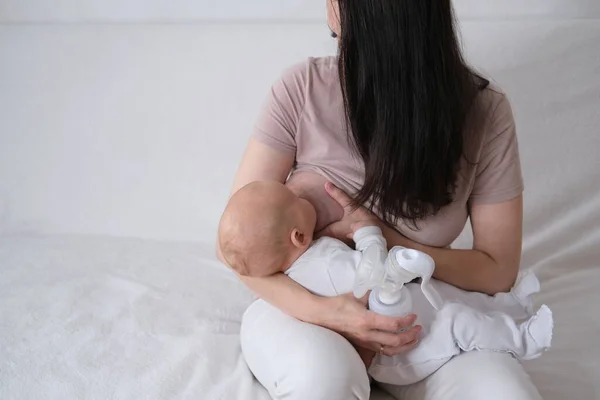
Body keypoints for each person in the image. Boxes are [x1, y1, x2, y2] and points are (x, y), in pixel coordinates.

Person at [217, 1, 539, 398]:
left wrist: (384, 238)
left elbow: (497, 270)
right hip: (304, 311)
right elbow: (234, 244)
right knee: (325, 381)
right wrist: (328, 313)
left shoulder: (484, 113)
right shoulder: (301, 89)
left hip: (419, 319)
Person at [218, 181, 552, 386]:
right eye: (294, 200)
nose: (298, 192)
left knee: (452, 300)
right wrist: (366, 230)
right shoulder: (325, 266)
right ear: (299, 236)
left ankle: (513, 308)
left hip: (399, 327)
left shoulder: (300, 268)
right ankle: (523, 340)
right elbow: (373, 271)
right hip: (401, 353)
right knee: (457, 320)